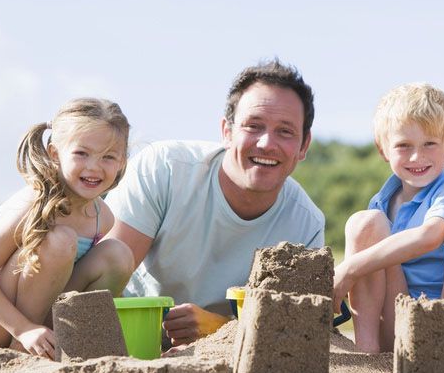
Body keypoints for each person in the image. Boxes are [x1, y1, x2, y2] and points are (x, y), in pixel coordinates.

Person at [101, 59, 324, 347]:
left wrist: (220, 329)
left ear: (304, 145)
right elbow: (102, 286)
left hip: (223, 355)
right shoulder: (164, 168)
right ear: (227, 131)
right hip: (126, 341)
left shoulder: (306, 223)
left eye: (285, 131)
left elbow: (290, 333)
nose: (267, 143)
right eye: (254, 126)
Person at [0, 98, 133, 359]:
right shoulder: (33, 203)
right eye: (81, 153)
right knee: (60, 240)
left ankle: (73, 342)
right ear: (55, 154)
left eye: (108, 157)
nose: (93, 167)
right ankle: (22, 351)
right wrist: (23, 329)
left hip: (44, 318)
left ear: (122, 162)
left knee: (119, 254)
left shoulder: (103, 217)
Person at [332, 83, 444, 353]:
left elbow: (430, 236)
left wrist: (349, 268)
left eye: (429, 144)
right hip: (399, 326)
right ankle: (368, 352)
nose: (417, 156)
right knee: (364, 222)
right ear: (383, 150)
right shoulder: (382, 202)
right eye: (403, 145)